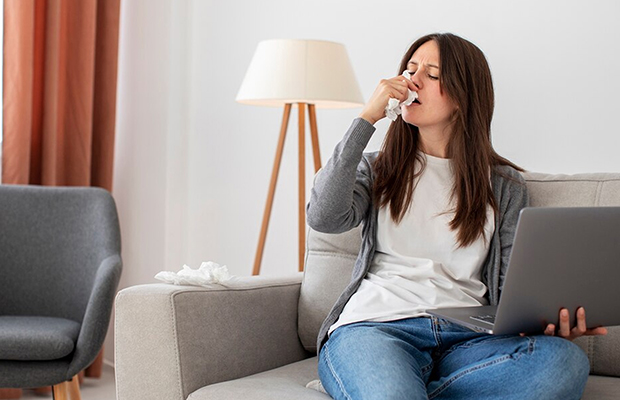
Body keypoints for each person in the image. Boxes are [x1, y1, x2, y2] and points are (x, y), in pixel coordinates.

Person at [306, 32, 608, 400]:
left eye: (432, 74)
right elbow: (323, 217)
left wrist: (549, 323)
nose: (412, 80)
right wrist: (367, 117)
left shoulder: (504, 186)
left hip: (468, 339)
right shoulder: (377, 168)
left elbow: (512, 290)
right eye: (410, 69)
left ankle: (402, 389)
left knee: (564, 361)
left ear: (464, 97)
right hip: (376, 328)